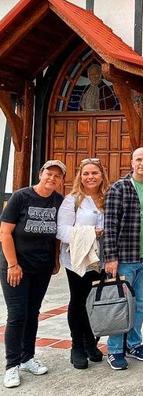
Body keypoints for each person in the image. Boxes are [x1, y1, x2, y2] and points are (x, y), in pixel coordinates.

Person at [1, 160, 65, 389]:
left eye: (58, 176)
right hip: (17, 267)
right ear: (41, 174)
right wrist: (12, 264)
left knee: (33, 312)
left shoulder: (59, 201)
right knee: (17, 315)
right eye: (49, 173)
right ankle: (11, 366)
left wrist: (55, 260)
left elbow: (57, 235)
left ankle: (27, 358)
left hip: (42, 267)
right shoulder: (21, 197)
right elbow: (5, 232)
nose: (53, 178)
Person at [103, 147, 143, 370]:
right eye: (139, 159)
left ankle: (134, 344)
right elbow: (109, 226)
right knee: (121, 305)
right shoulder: (118, 188)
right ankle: (115, 349)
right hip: (125, 258)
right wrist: (110, 258)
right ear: (132, 162)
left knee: (139, 305)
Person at [56, 158, 110, 370]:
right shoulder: (73, 200)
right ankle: (76, 345)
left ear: (102, 175)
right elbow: (61, 230)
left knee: (95, 301)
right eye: (86, 173)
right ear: (80, 176)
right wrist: (90, 233)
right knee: (79, 301)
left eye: (94, 173)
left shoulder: (107, 198)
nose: (90, 177)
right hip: (79, 260)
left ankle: (91, 341)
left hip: (103, 260)